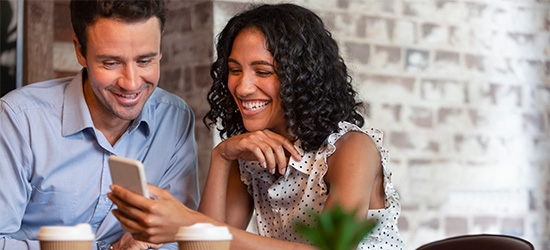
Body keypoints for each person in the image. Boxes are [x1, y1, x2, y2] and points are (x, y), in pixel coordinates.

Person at [108, 3, 405, 250]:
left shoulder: (351, 148)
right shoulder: (250, 157)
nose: (243, 87)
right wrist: (222, 157)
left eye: (262, 71)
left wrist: (187, 222)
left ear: (302, 78)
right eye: (235, 70)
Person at [0, 0, 200, 249]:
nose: (131, 83)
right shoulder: (20, 119)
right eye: (111, 63)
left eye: (145, 61)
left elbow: (177, 238)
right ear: (80, 51)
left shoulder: (175, 119)